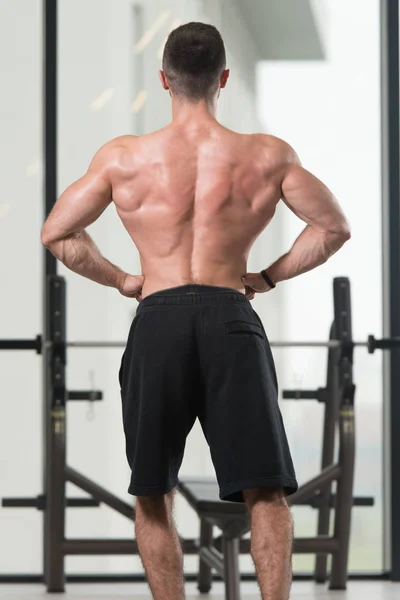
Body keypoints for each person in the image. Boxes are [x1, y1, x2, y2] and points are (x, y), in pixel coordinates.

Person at [41, 21, 351, 600]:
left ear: (164, 79)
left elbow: (58, 233)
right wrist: (266, 276)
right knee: (265, 491)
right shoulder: (266, 155)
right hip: (231, 318)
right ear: (223, 79)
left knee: (153, 492)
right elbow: (334, 227)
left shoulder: (124, 158)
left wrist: (124, 280)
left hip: (158, 319)